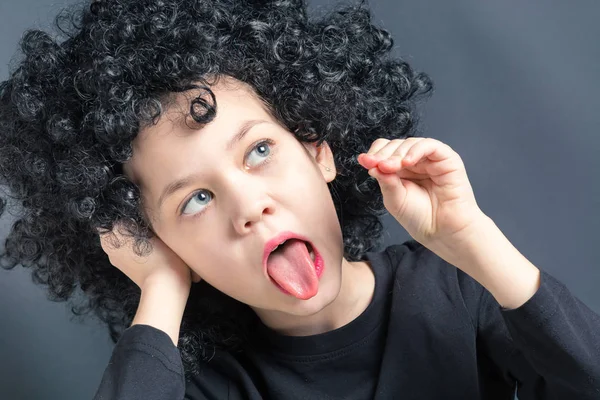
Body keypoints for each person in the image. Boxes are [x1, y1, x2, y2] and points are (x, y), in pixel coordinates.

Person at [0, 0, 598, 399]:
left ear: (319, 151)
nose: (249, 207)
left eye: (259, 151)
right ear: (161, 244)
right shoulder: (212, 383)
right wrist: (161, 291)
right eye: (196, 199)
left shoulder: (456, 291)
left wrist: (475, 242)